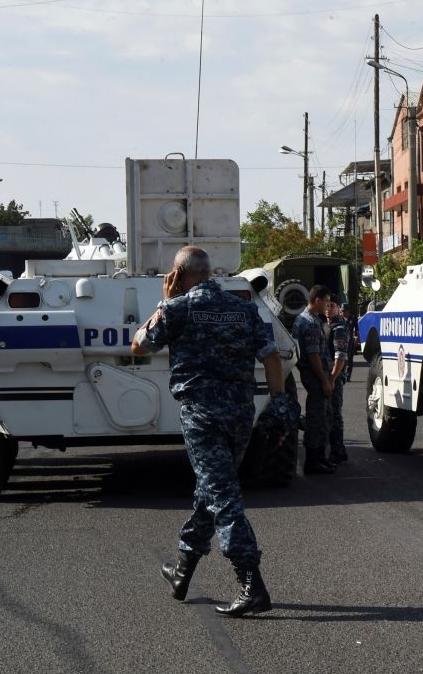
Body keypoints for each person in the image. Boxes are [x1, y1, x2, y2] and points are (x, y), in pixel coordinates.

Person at [131, 245, 285, 618]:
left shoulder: (178, 309)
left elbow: (138, 345)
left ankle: (252, 585)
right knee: (213, 490)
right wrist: (279, 404)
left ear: (179, 275)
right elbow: (271, 357)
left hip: (202, 415)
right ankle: (182, 569)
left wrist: (164, 303)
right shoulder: (243, 309)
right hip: (239, 414)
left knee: (224, 497)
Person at [292, 284, 335, 474]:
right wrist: (324, 380)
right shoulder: (308, 322)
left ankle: (319, 457)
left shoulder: (308, 319)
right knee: (315, 418)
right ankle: (312, 461)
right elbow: (313, 355)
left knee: (322, 415)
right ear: (316, 300)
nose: (327, 305)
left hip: (317, 374)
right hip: (315, 375)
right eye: (325, 301)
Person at [326, 300, 350, 464]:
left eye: (332, 306)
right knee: (328, 414)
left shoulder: (339, 328)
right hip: (325, 376)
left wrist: (332, 379)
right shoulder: (325, 325)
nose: (328, 309)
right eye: (327, 305)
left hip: (334, 377)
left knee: (334, 415)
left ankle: (338, 450)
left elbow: (340, 356)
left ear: (338, 309)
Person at [341, 303, 358, 382]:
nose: (343, 313)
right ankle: (341, 375)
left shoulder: (353, 318)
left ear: (348, 311)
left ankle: (348, 376)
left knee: (349, 359)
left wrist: (356, 337)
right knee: (341, 358)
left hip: (350, 341)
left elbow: (357, 329)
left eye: (345, 311)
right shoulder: (339, 318)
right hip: (340, 341)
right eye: (342, 311)